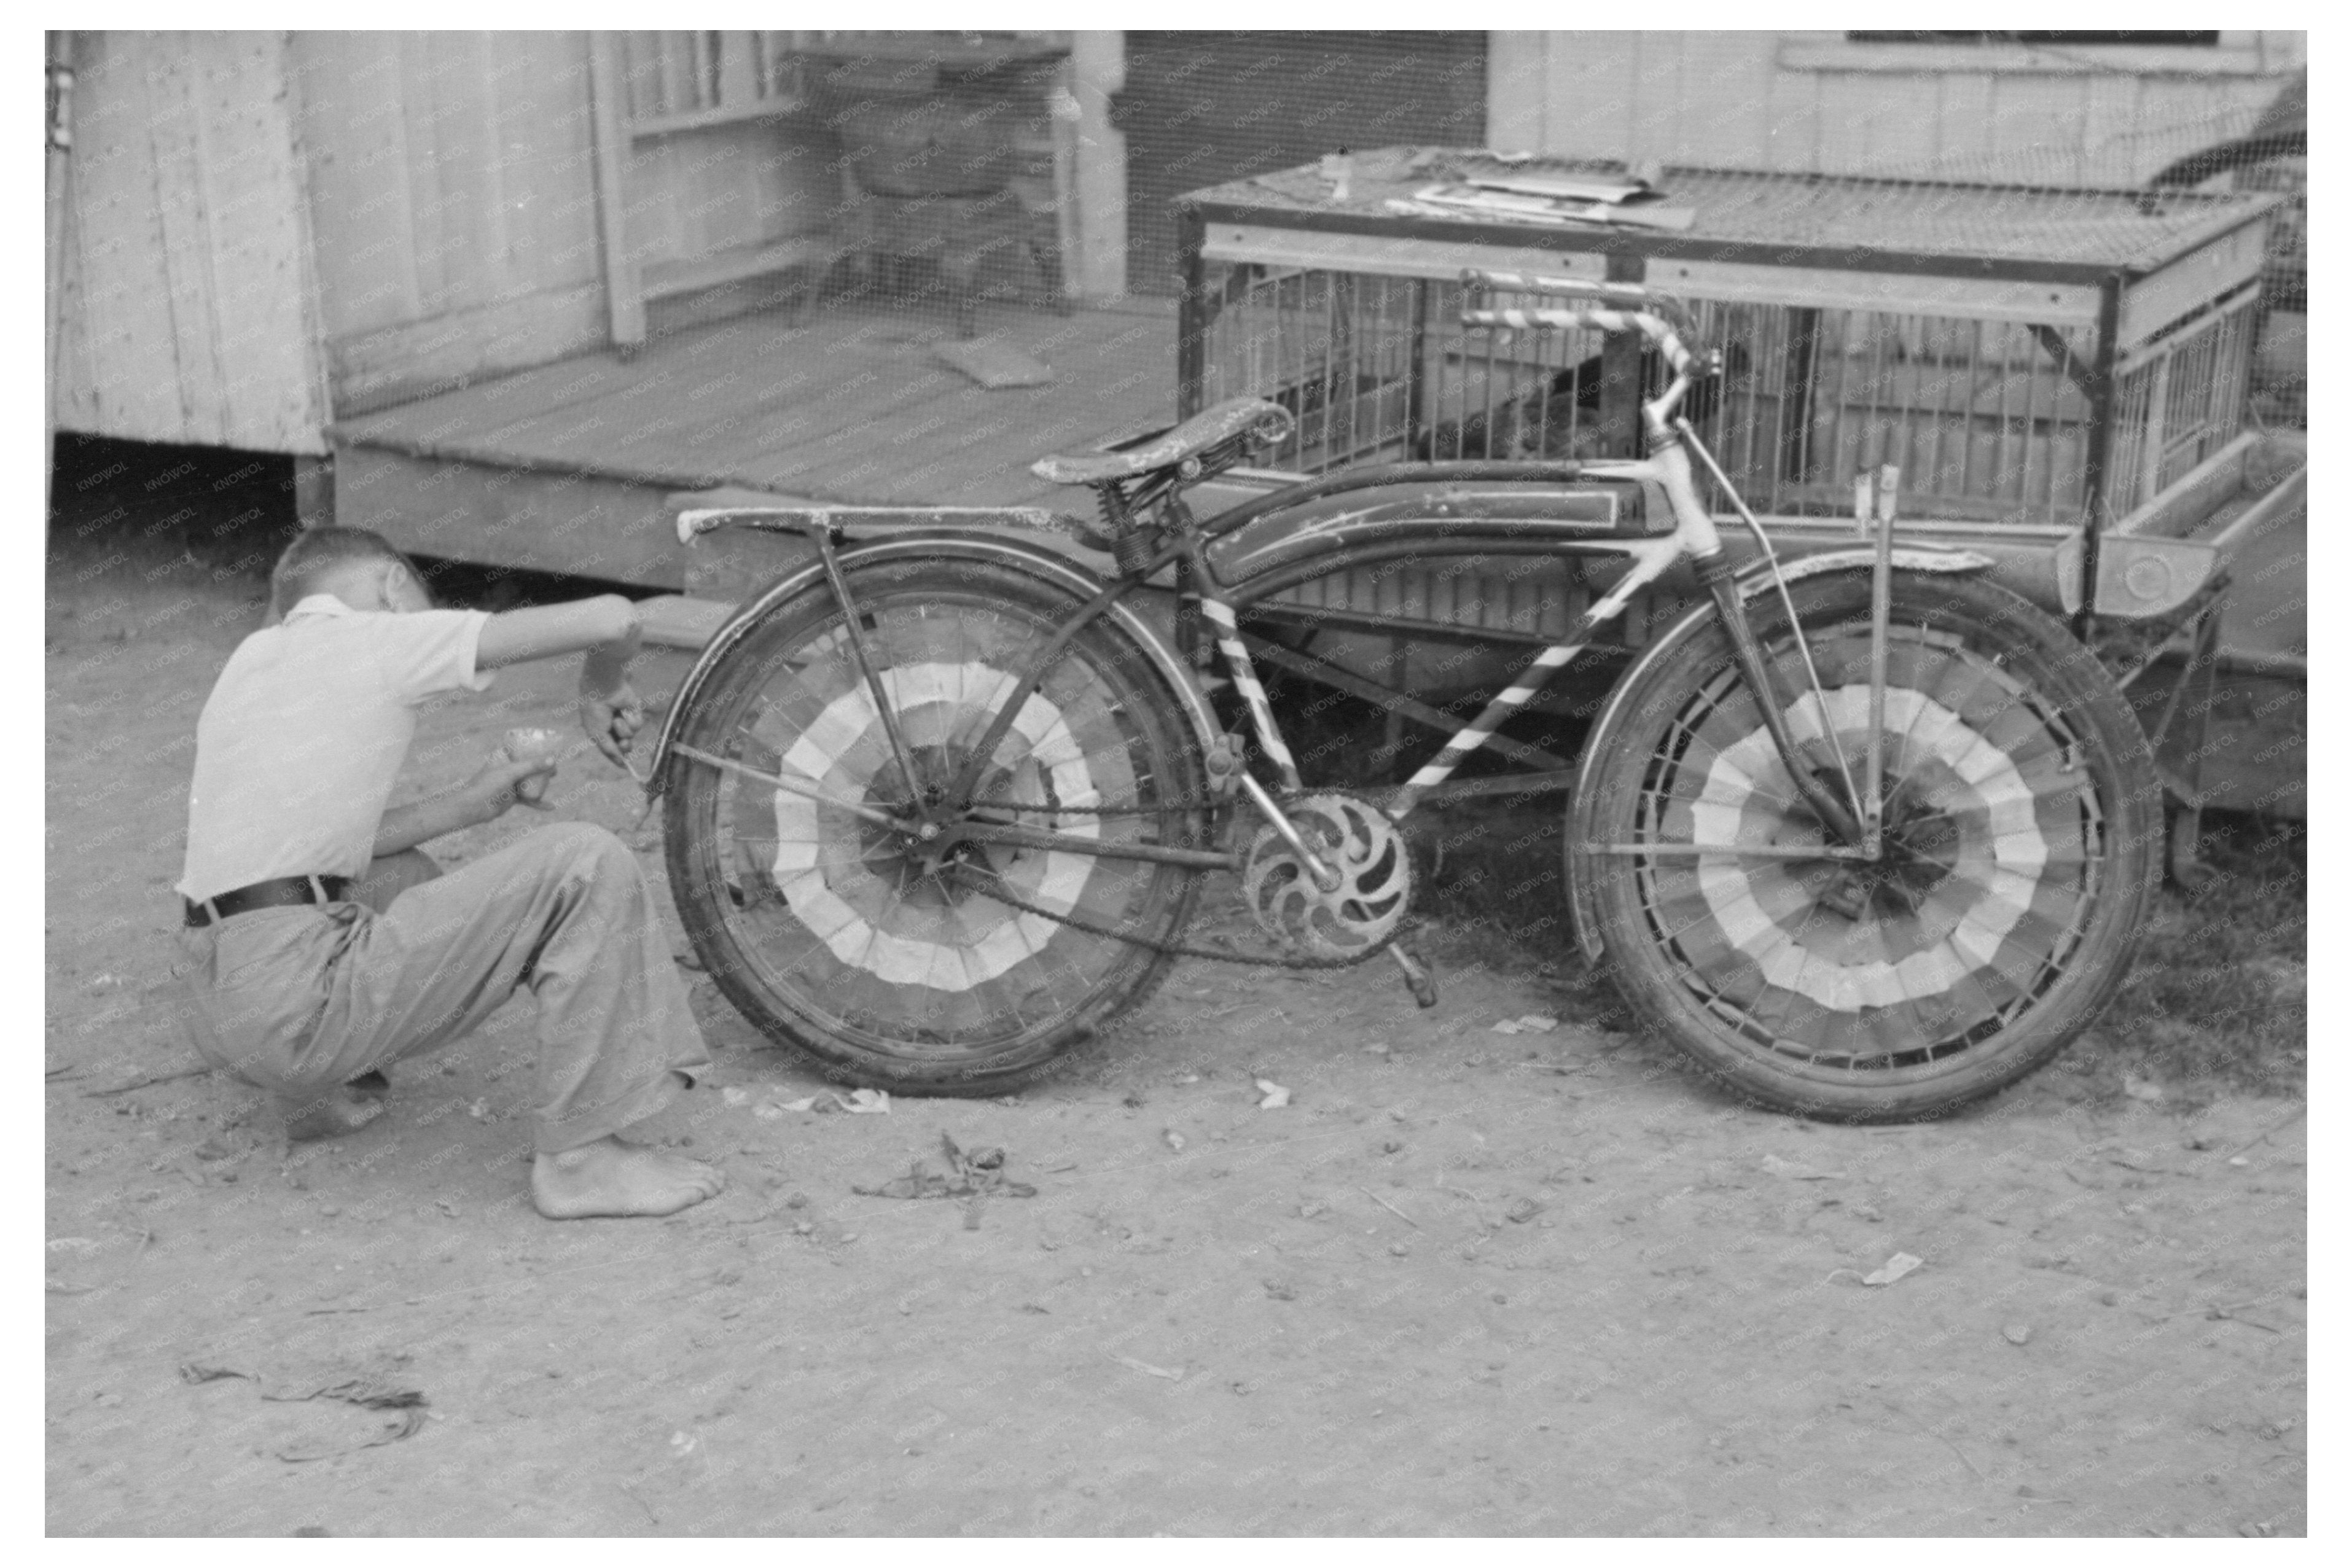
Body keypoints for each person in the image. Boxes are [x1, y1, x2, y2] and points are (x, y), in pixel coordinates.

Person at [174, 526, 722, 1220]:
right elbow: (616, 617)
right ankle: (582, 1161)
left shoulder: (251, 659)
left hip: (214, 1001)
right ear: (392, 587)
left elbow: (318, 850)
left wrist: (469, 804)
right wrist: (601, 681)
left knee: (388, 876)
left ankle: (320, 1093)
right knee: (585, 861)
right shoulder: (377, 636)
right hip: (294, 1005)